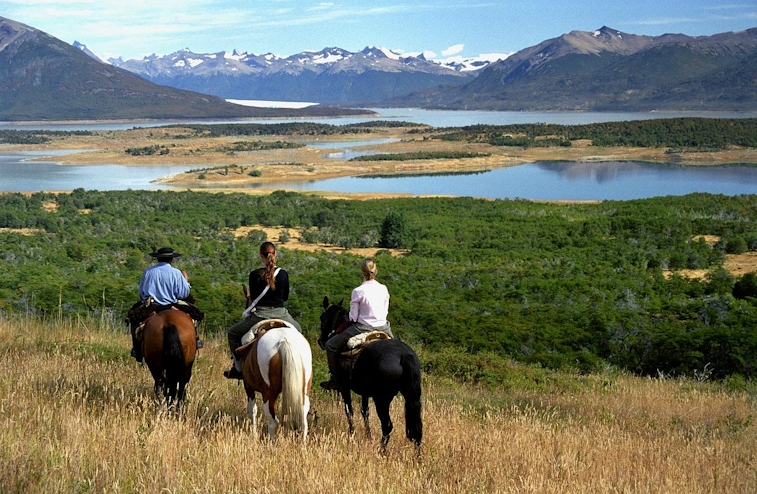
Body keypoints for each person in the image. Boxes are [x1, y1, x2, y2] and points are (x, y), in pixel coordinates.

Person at [224, 241, 302, 379]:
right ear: (275, 253)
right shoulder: (283, 274)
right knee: (299, 331)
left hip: (260, 315)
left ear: (261, 256)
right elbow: (285, 297)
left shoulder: (254, 275)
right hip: (281, 313)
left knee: (232, 333)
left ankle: (238, 368)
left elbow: (253, 298)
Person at [320, 258, 393, 390]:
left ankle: (336, 380)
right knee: (396, 347)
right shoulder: (383, 288)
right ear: (375, 271)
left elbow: (353, 317)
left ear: (362, 272)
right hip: (384, 327)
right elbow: (385, 310)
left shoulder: (358, 291)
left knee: (330, 345)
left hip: (362, 327)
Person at [127, 247, 204, 362]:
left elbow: (142, 292)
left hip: (152, 304)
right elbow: (184, 293)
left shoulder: (148, 272)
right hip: (172, 303)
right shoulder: (176, 273)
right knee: (194, 315)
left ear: (157, 259)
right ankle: (195, 340)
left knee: (134, 320)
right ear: (171, 260)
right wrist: (186, 282)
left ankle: (137, 349)